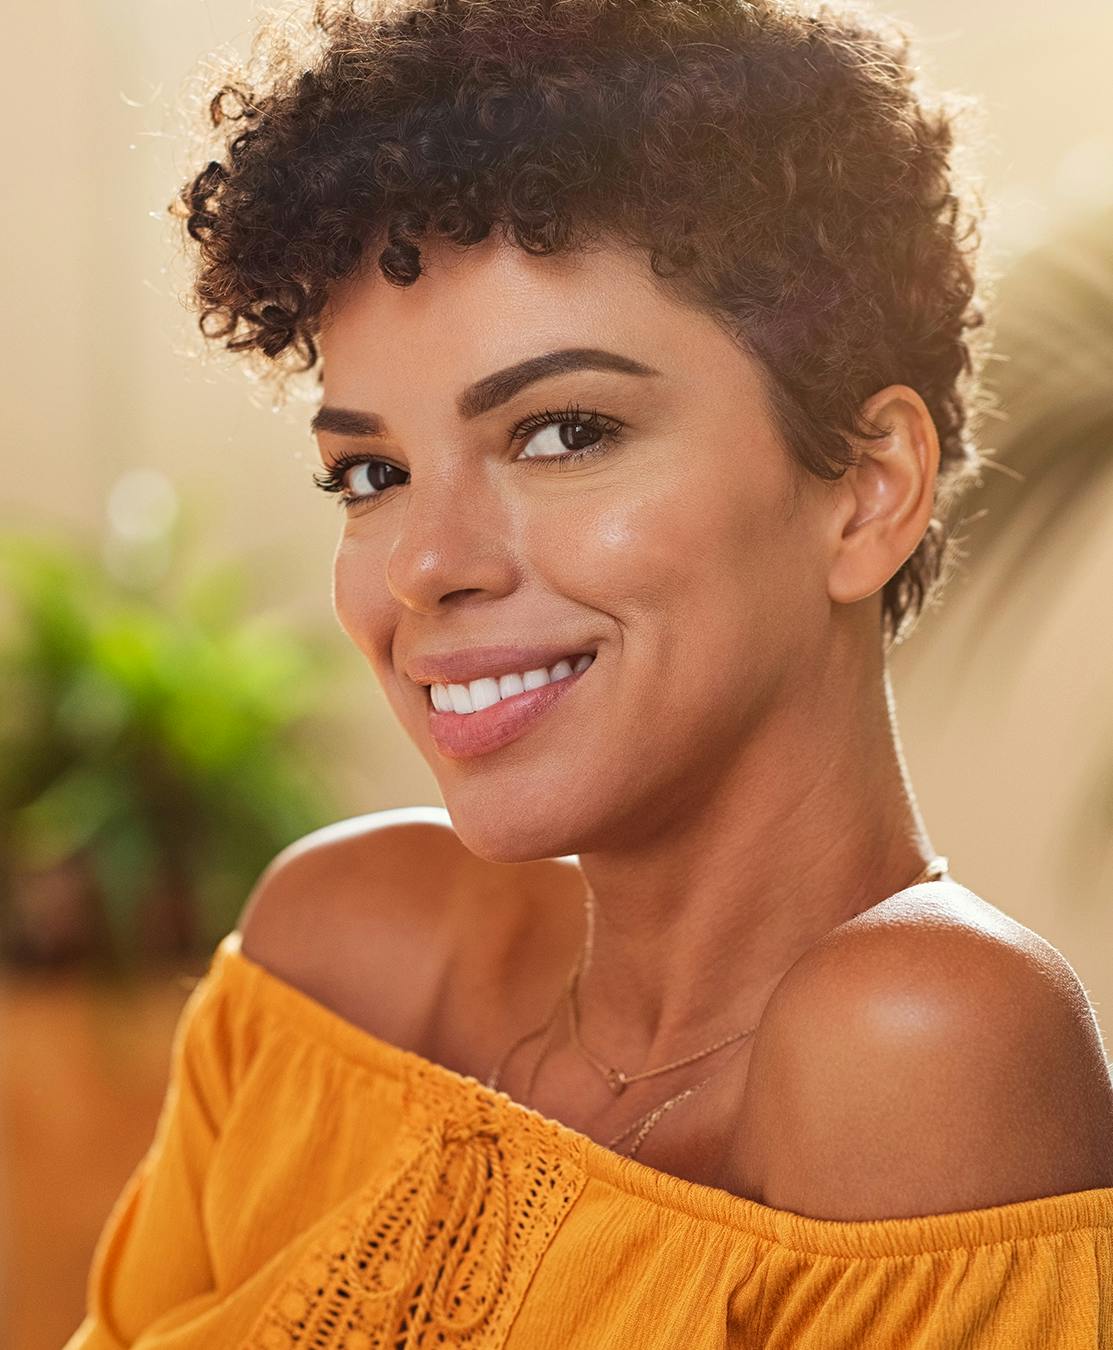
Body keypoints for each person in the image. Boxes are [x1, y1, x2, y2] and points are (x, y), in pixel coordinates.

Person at [66, 0, 1113, 1345]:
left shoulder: (916, 1036)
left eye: (563, 431)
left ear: (865, 490)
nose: (423, 563)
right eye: (370, 474)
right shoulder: (330, 962)